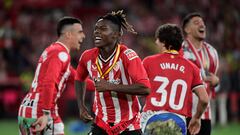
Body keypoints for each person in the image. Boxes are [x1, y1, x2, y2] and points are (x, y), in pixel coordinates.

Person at [75, 10, 151, 135]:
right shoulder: (87, 56)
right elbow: (79, 78)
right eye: (96, 29)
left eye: (103, 29)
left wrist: (110, 86)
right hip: (101, 123)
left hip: (128, 125)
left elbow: (145, 88)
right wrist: (81, 106)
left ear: (116, 34)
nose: (97, 32)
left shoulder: (128, 56)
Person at [18, 16, 86, 135]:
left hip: (27, 108)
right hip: (41, 111)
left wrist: (104, 86)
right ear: (69, 34)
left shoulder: (52, 50)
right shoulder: (61, 54)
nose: (83, 36)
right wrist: (45, 113)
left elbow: (78, 78)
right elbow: (49, 82)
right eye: (80, 32)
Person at [141, 24, 209, 135]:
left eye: (157, 40)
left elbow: (137, 88)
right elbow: (204, 99)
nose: (155, 42)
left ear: (163, 42)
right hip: (177, 122)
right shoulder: (192, 68)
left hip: (152, 119)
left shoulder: (149, 61)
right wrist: (196, 118)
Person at [181, 12, 219, 135]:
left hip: (204, 113)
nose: (202, 25)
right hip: (183, 112)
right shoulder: (180, 50)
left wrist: (216, 81)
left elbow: (213, 82)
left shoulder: (212, 52)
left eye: (202, 23)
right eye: (196, 23)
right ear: (187, 29)